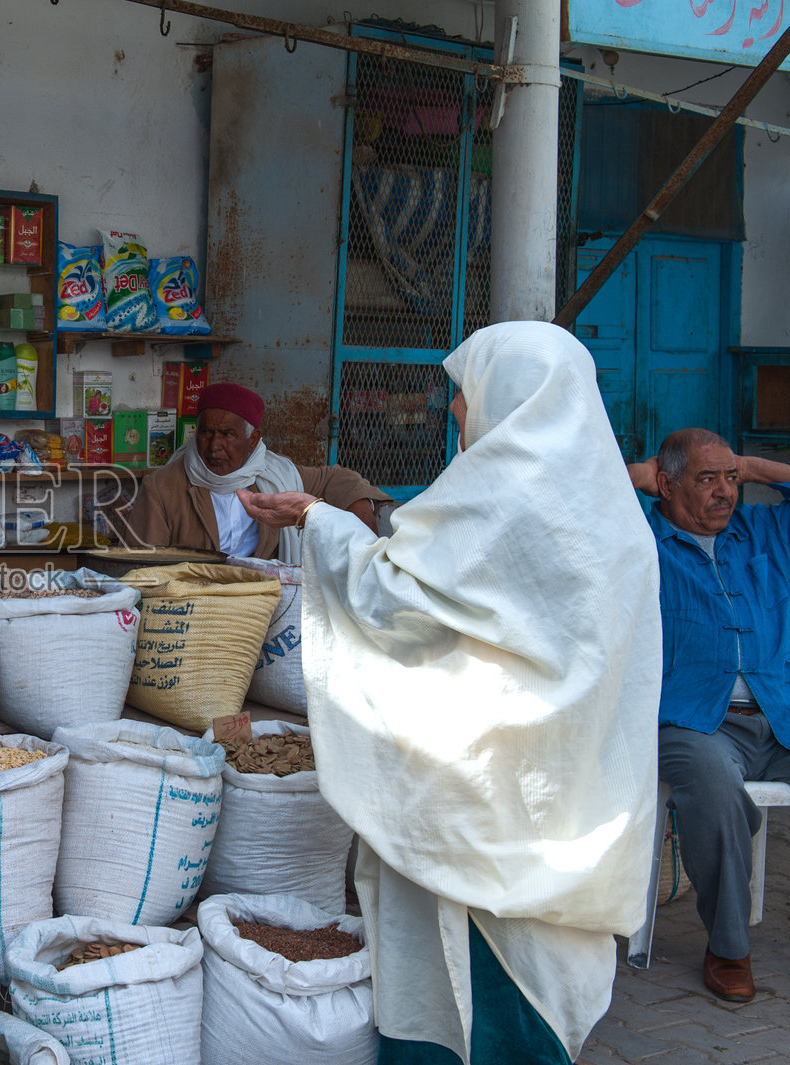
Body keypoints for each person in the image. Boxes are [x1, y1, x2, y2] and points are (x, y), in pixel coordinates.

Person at [241, 322, 659, 1064]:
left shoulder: (497, 497)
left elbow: (391, 602)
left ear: (512, 396)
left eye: (464, 392)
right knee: (540, 960)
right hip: (567, 795)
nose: (457, 410)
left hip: (479, 792)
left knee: (463, 973)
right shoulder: (611, 513)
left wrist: (317, 519)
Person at [626, 428, 790, 1003]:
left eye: (731, 480)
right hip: (696, 723)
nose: (725, 492)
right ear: (668, 487)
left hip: (779, 713)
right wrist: (641, 477)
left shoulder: (767, 532)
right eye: (706, 479)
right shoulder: (639, 537)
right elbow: (567, 500)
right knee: (716, 788)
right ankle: (729, 947)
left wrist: (755, 466)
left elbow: (749, 485)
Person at [122, 382, 387, 562]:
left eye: (227, 434)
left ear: (252, 440)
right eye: (206, 432)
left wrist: (361, 513)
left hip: (262, 606)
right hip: (193, 612)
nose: (214, 446)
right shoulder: (163, 487)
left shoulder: (274, 474)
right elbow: (145, 568)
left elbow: (338, 479)